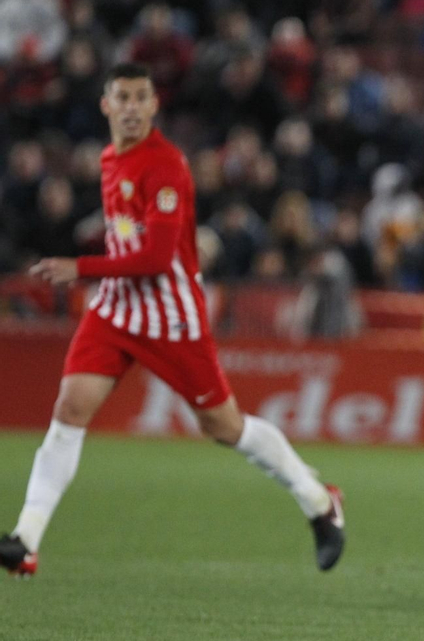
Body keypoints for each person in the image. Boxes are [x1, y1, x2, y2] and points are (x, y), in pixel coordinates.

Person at [0, 63, 344, 578]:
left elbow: (158, 257)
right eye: (123, 97)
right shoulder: (110, 158)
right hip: (116, 309)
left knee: (222, 426)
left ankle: (319, 501)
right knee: (70, 409)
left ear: (155, 105)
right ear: (106, 104)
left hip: (170, 316)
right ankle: (25, 540)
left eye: (142, 97)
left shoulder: (167, 167)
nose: (133, 107)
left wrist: (80, 268)